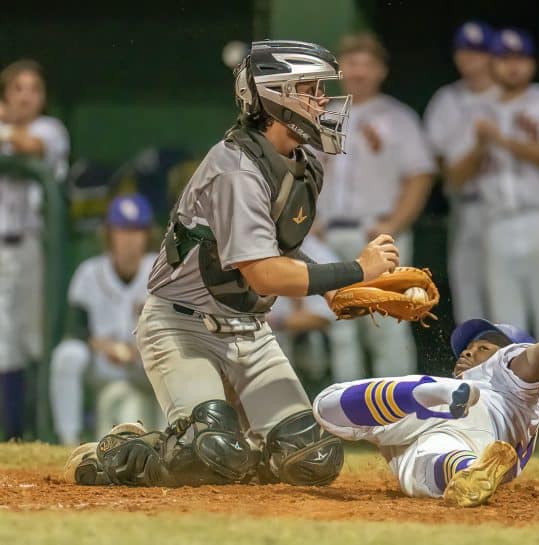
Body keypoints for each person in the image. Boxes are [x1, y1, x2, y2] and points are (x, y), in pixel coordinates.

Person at [66, 40, 401, 488]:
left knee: (311, 456)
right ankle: (118, 455)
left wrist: (329, 286)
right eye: (311, 88)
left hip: (248, 328)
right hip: (183, 325)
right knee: (207, 452)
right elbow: (263, 273)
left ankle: (229, 458)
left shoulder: (299, 163)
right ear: (276, 96)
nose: (323, 100)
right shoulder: (237, 169)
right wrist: (355, 270)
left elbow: (274, 248)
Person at [314, 282, 539, 506]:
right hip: (472, 440)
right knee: (425, 469)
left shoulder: (508, 374)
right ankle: (468, 466)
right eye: (467, 348)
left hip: (477, 411)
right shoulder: (520, 417)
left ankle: (432, 394)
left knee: (327, 404)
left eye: (483, 347)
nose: (468, 352)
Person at [473, 28, 539, 445]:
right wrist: (482, 145)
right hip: (497, 221)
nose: (513, 65)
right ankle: (511, 417)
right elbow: (457, 171)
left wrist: (502, 139)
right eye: (504, 58)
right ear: (493, 62)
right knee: (507, 326)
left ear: (532, 64)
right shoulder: (478, 108)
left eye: (521, 58)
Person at [317, 32, 436, 380]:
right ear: (340, 69)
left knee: (386, 320)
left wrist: (395, 223)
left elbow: (420, 176)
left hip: (377, 230)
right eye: (352, 63)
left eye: (367, 65)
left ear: (381, 71)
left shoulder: (399, 118)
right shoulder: (323, 114)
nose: (359, 72)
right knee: (339, 323)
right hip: (328, 231)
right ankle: (347, 409)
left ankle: (395, 406)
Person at [50, 194, 163, 445]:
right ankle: (67, 440)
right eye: (122, 230)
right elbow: (76, 331)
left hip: (146, 367)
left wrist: (136, 352)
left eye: (136, 230)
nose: (129, 238)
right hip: (103, 365)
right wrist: (106, 346)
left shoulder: (159, 271)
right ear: (109, 233)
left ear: (147, 235)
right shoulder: (89, 273)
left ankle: (175, 442)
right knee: (67, 355)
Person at [0, 59, 69, 440]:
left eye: (34, 89)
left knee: (32, 340)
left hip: (30, 248)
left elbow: (31, 145)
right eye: (18, 89)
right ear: (6, 95)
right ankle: (9, 434)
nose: (26, 96)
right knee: (2, 341)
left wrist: (5, 126)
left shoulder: (51, 129)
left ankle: (33, 430)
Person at [424, 21, 498, 323]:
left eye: (479, 51)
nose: (471, 59)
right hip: (465, 205)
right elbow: (442, 167)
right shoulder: (446, 100)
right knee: (468, 295)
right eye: (465, 51)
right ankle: (475, 367)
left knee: (503, 297)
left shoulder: (511, 98)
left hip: (507, 209)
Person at [266, 234, 338, 388]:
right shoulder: (256, 249)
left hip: (296, 339)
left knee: (312, 339)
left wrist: (279, 322)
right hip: (262, 342)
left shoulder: (318, 253)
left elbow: (324, 317)